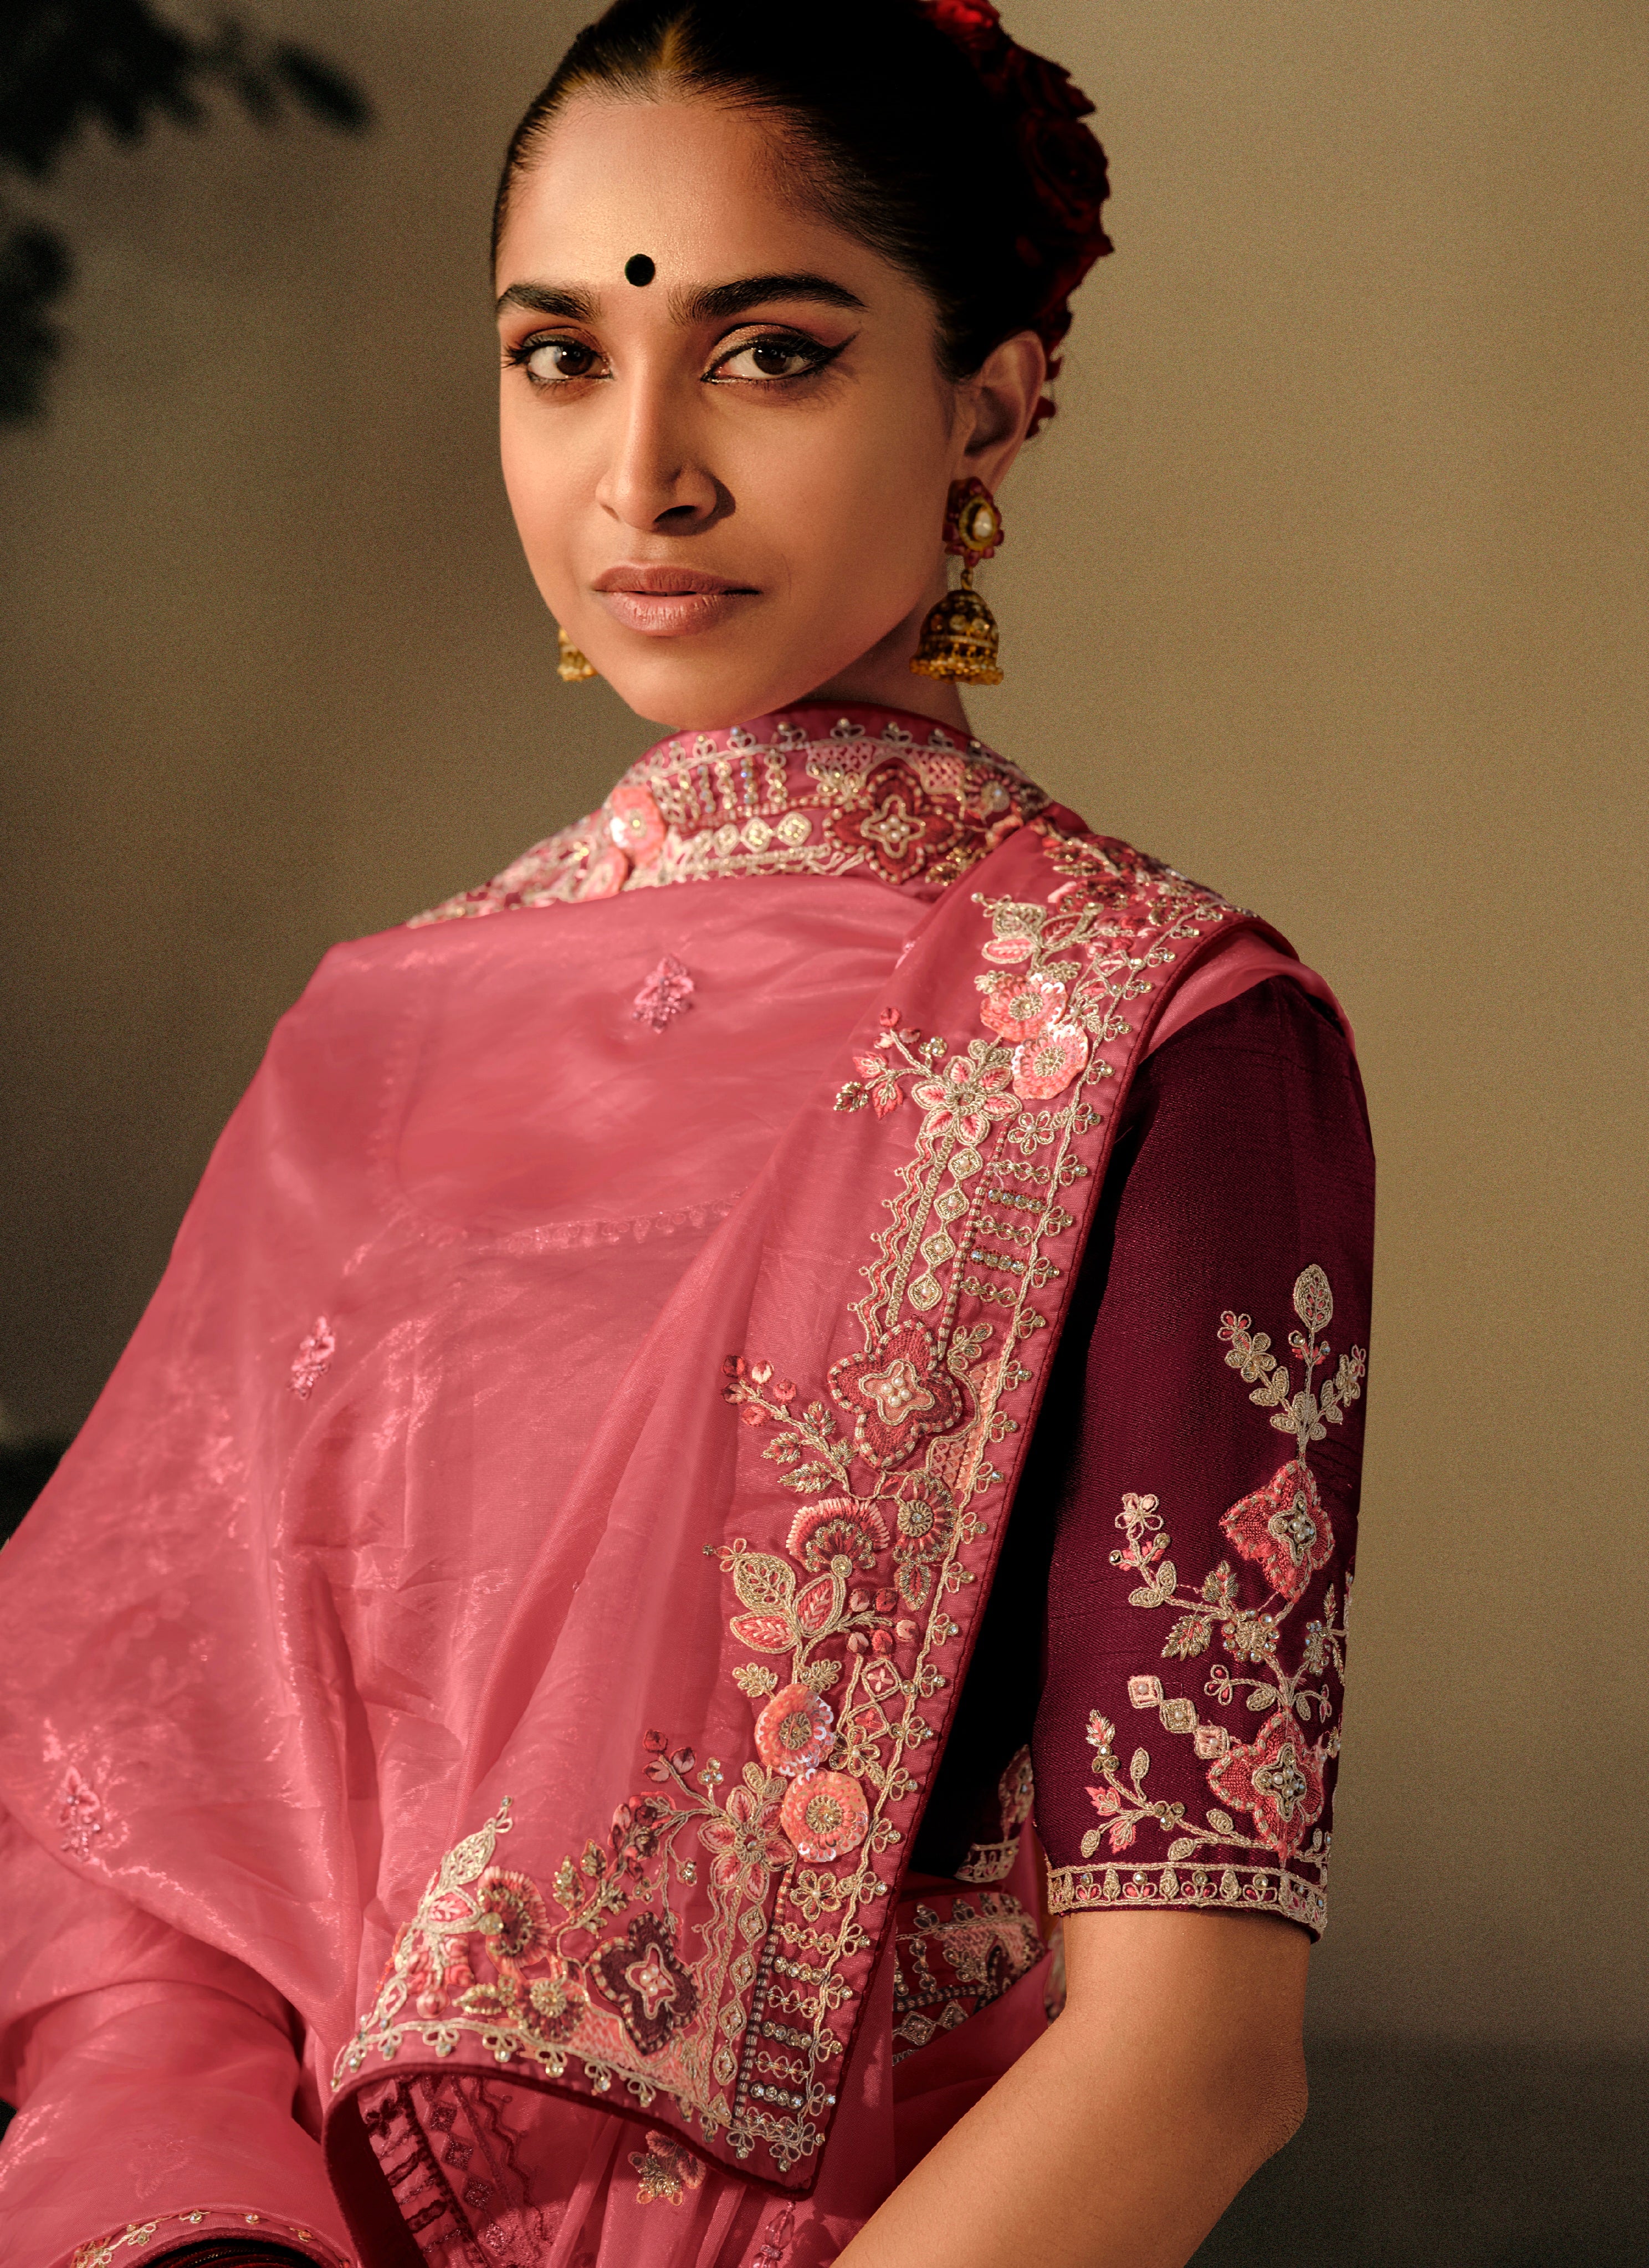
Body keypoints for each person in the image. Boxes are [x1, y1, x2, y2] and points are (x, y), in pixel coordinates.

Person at [0, 4, 1374, 2265]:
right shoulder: (372, 1043)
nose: (642, 471)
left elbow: (1195, 2055)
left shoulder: (1153, 1040)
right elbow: (118, 1855)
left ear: (991, 407)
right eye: (560, 359)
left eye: (771, 356)